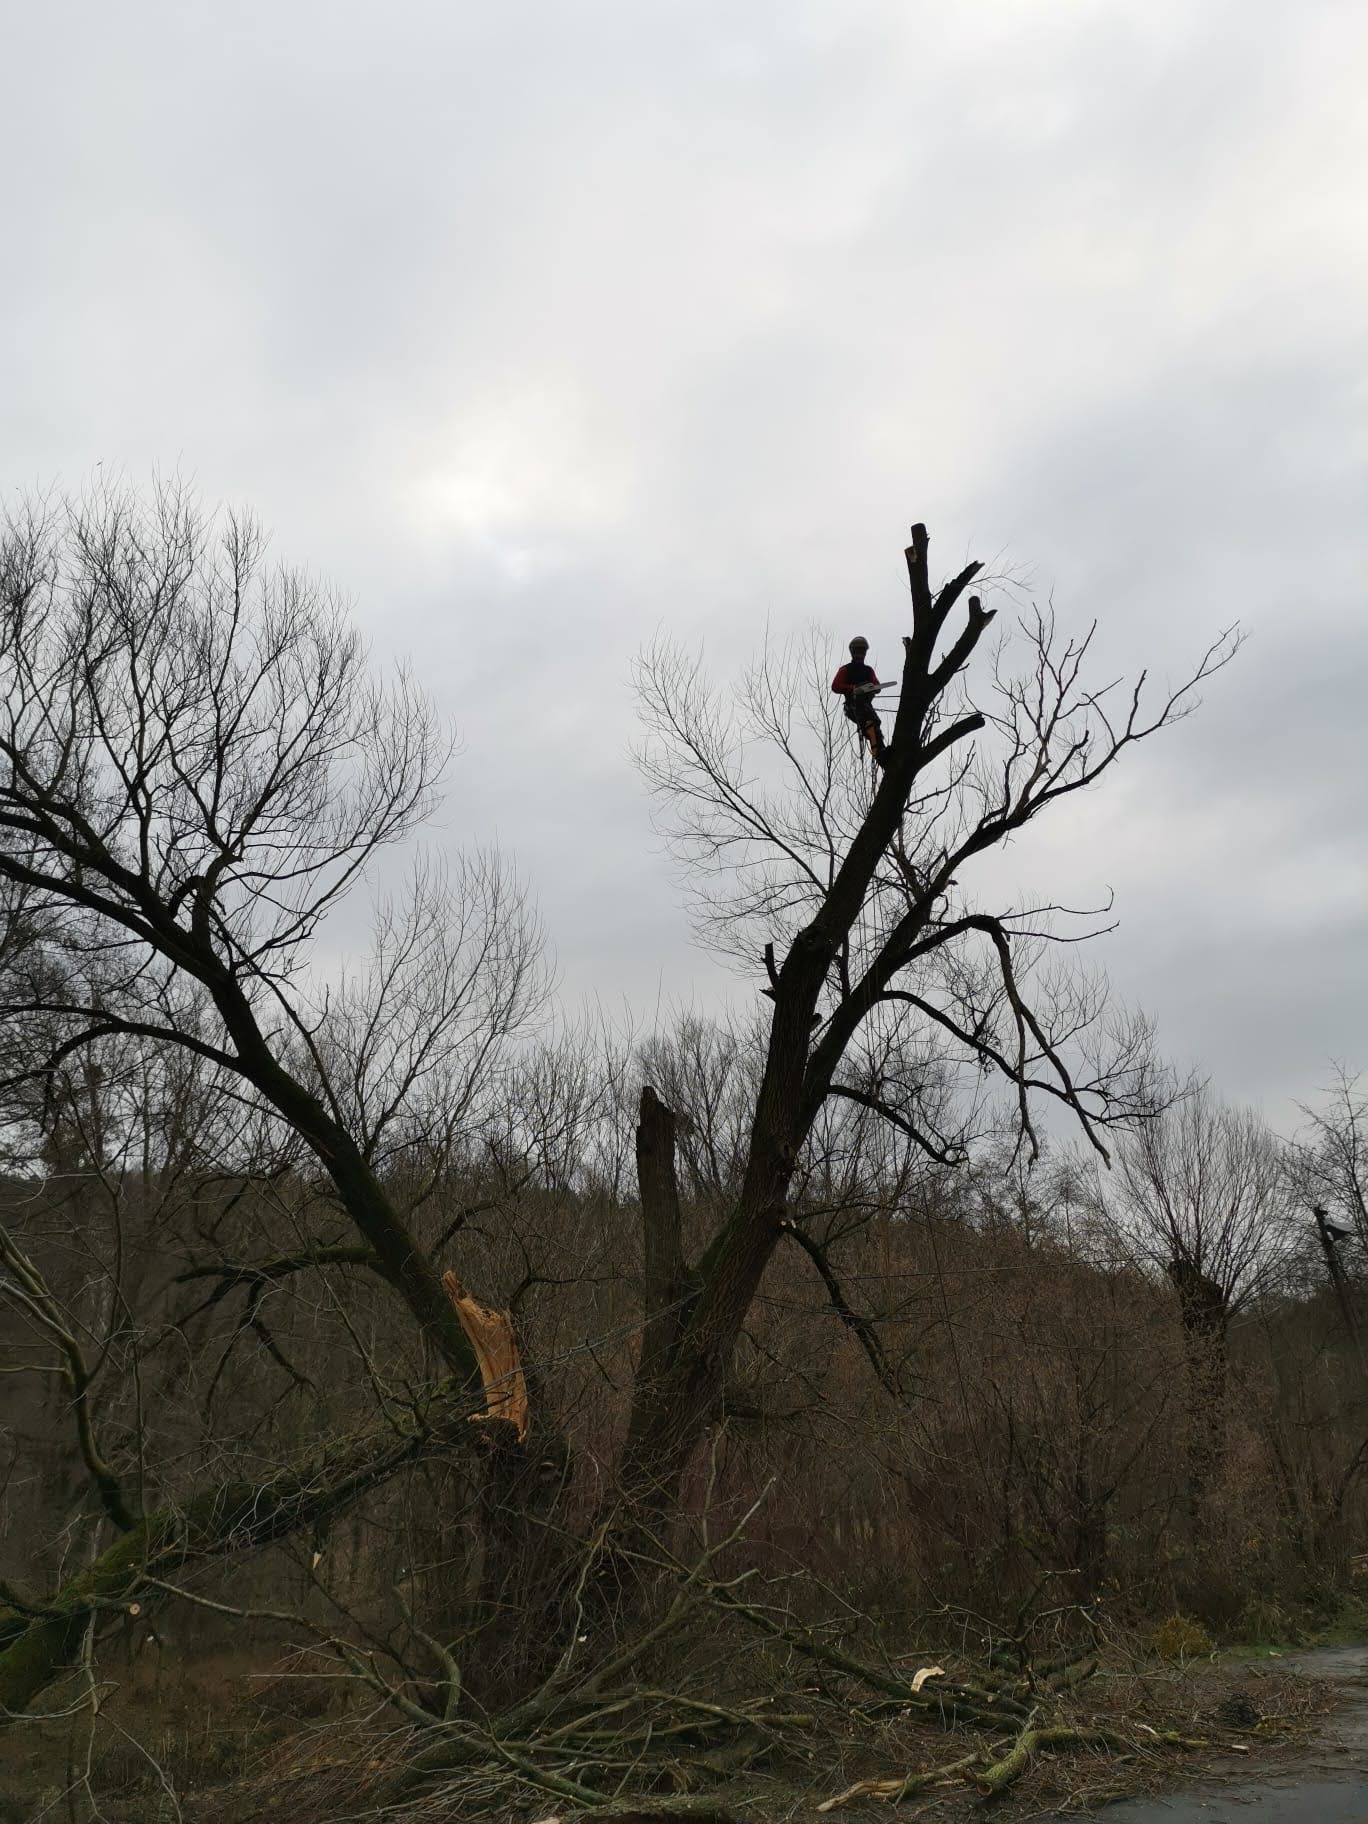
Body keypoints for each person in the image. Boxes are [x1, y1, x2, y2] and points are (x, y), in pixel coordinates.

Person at [831, 636, 887, 766]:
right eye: (858, 651)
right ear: (853, 652)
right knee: (869, 723)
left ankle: (881, 752)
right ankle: (880, 753)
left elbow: (876, 686)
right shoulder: (845, 669)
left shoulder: (868, 670)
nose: (860, 654)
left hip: (866, 705)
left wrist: (870, 688)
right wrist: (853, 688)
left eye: (862, 651)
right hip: (853, 705)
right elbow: (836, 686)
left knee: (874, 723)